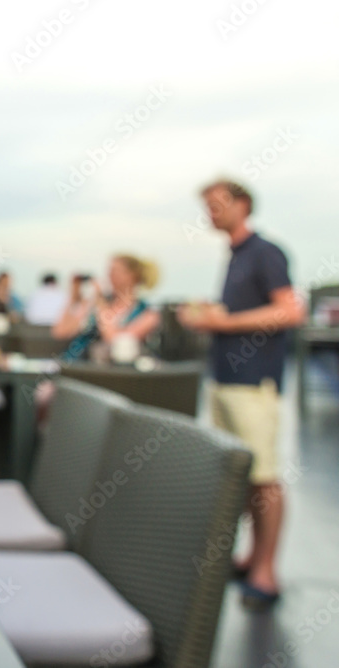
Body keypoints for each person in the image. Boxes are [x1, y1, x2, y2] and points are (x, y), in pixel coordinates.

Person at [178, 179, 306, 611]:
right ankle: (252, 557)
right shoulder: (235, 255)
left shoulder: (264, 252)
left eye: (217, 206)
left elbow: (290, 310)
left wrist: (220, 323)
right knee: (244, 473)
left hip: (254, 383)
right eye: (207, 207)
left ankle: (266, 572)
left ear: (243, 205)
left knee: (265, 477)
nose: (211, 214)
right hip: (228, 380)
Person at [52, 255, 161, 361]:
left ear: (133, 276)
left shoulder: (147, 313)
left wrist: (101, 305)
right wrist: (73, 298)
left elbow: (114, 340)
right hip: (79, 366)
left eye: (115, 271)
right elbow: (61, 332)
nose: (110, 276)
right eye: (109, 271)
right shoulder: (96, 303)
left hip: (112, 373)